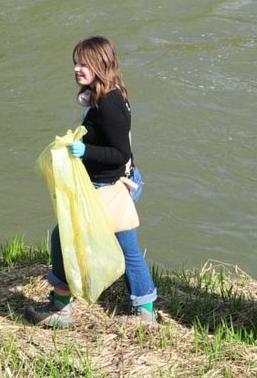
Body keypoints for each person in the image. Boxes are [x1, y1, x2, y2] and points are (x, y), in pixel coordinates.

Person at [26, 36, 158, 328]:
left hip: (111, 189)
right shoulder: (104, 95)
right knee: (75, 238)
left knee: (96, 242)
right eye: (75, 62)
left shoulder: (110, 104)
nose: (77, 68)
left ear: (100, 65)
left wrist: (86, 150)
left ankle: (140, 312)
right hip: (103, 185)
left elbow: (119, 153)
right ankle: (142, 308)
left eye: (84, 63)